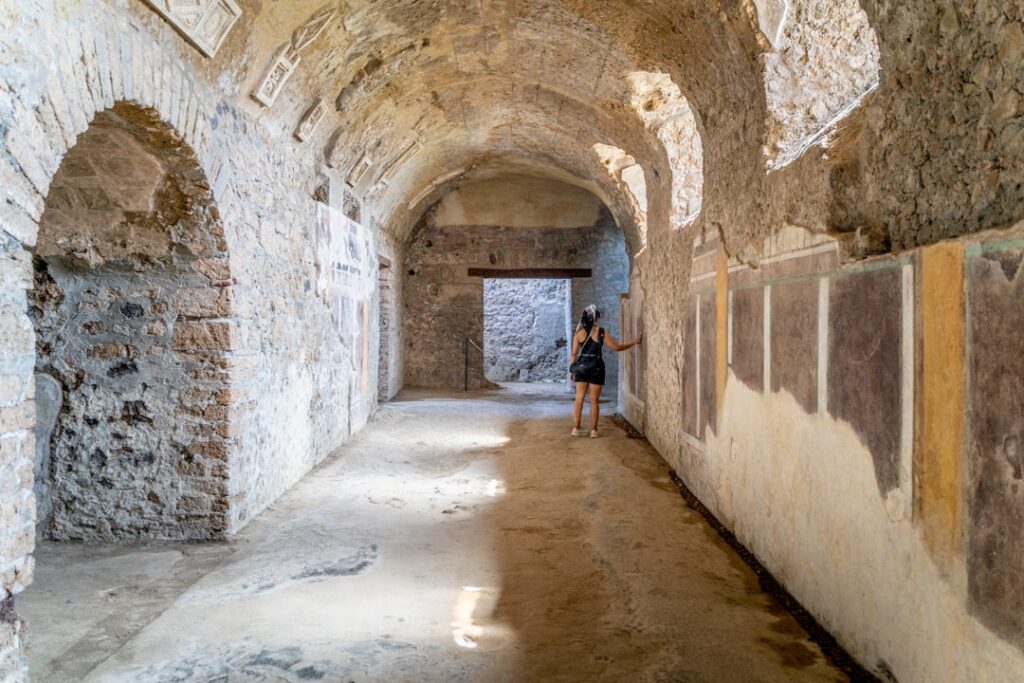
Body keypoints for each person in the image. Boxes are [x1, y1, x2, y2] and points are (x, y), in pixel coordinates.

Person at [569, 305, 641, 438]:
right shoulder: (601, 332)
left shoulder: (578, 333)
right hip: (596, 368)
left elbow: (573, 354)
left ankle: (576, 428)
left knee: (579, 398)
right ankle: (594, 431)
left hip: (581, 368)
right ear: (596, 317)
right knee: (594, 400)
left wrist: (572, 370)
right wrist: (633, 343)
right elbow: (617, 347)